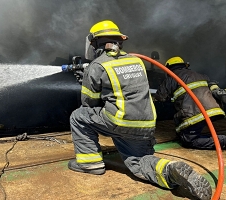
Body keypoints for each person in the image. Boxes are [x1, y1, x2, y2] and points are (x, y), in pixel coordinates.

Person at [67, 20, 212, 200]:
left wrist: (87, 79)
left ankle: (90, 164)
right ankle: (169, 170)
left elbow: (89, 103)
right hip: (146, 125)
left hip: (120, 121)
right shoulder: (136, 61)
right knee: (138, 162)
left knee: (78, 116)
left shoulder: (98, 66)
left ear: (95, 42)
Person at [154, 56, 226, 150]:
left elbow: (160, 97)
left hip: (195, 113)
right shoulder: (200, 75)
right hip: (213, 110)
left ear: (168, 69)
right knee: (184, 131)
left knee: (189, 140)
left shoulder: (172, 78)